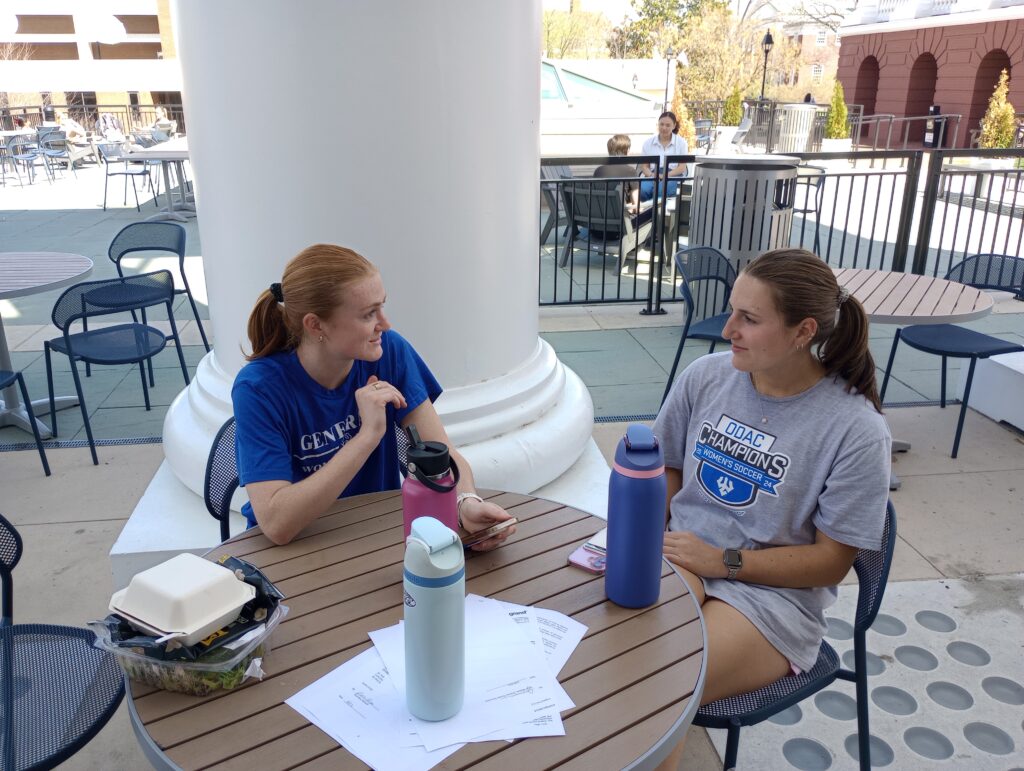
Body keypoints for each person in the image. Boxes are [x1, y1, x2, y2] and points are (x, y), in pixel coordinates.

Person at [652, 248, 890, 769]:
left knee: (660, 682)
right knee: (614, 651)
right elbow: (665, 465)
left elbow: (831, 562)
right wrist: (644, 534)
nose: (729, 327)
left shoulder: (855, 430)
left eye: (750, 319)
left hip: (772, 600)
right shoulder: (707, 377)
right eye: (733, 310)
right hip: (684, 556)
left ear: (803, 331)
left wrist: (726, 562)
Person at [232, 244, 517, 547]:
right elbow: (277, 524)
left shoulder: (388, 351)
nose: (385, 323)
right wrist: (368, 435)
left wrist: (465, 503)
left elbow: (441, 453)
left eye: (382, 306)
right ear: (316, 325)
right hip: (294, 549)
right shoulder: (258, 388)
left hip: (373, 534)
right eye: (369, 314)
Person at [639, 111, 688, 202]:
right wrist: (651, 175)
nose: (664, 128)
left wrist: (664, 176)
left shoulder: (681, 143)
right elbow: (644, 166)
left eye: (668, 125)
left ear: (673, 126)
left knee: (660, 191)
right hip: (653, 174)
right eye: (661, 124)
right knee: (643, 190)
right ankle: (647, 214)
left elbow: (681, 167)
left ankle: (658, 215)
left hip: (673, 175)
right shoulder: (648, 143)